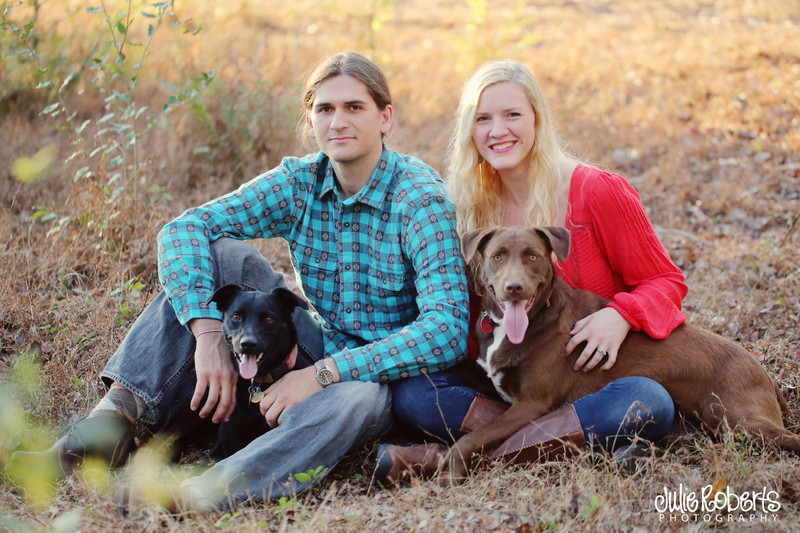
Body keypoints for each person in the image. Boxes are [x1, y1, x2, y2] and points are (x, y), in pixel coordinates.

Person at [15, 52, 470, 511]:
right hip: (319, 336)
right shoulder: (300, 181)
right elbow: (184, 228)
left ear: (384, 117)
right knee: (220, 256)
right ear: (310, 122)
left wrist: (322, 375)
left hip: (376, 372)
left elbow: (446, 329)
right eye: (325, 109)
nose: (338, 122)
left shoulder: (419, 200)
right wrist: (209, 334)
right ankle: (102, 430)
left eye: (355, 107)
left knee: (353, 400)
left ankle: (205, 490)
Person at [374, 59, 687, 482]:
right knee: (412, 391)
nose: (497, 130)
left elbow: (666, 282)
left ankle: (448, 458)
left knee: (648, 401)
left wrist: (619, 315)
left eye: (512, 115)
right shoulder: (464, 210)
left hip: (590, 384)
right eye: (483, 118)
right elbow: (461, 316)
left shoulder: (595, 191)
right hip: (514, 378)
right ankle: (553, 440)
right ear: (470, 130)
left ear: (537, 119)